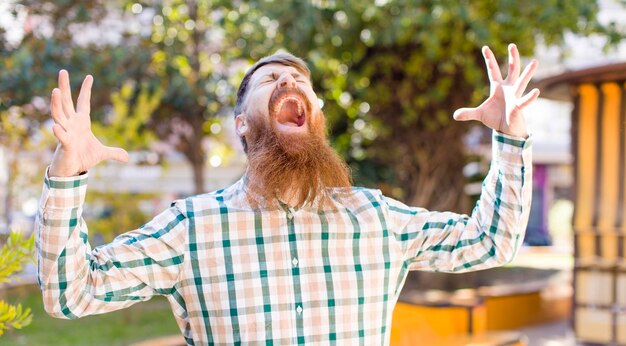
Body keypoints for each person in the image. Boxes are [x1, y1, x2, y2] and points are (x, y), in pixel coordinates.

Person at [36, 43, 538, 345]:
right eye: (271, 79)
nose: (289, 81)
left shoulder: (376, 217)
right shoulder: (191, 229)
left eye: (299, 81)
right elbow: (70, 294)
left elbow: (491, 240)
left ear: (315, 117)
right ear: (241, 124)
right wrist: (68, 176)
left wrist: (510, 139)